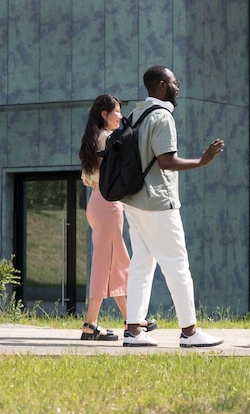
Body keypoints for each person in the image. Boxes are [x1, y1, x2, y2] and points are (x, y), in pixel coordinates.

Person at [120, 65, 224, 348]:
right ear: (161, 85)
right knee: (177, 266)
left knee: (142, 265)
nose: (178, 87)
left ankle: (133, 330)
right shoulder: (162, 117)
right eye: (175, 83)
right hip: (157, 203)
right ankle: (189, 332)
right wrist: (202, 161)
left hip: (133, 201)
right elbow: (166, 161)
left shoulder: (134, 114)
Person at [78, 94, 156, 341]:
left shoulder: (93, 139)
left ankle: (130, 318)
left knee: (116, 263)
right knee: (107, 265)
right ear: (104, 114)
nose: (120, 116)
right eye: (117, 111)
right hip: (109, 205)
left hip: (97, 203)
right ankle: (91, 324)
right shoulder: (107, 139)